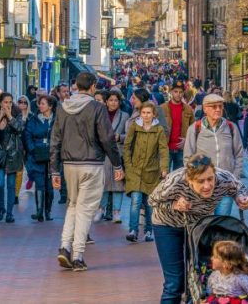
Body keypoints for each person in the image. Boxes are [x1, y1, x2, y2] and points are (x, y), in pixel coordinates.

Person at [148, 155, 248, 304]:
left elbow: (238, 187)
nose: (207, 185)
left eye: (210, 179)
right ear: (190, 180)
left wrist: (240, 198)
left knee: (197, 276)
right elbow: (152, 200)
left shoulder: (223, 178)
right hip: (167, 225)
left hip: (196, 227)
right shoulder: (176, 181)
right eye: (200, 181)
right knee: (175, 282)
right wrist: (174, 205)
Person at [50, 72, 124, 272]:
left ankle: (65, 246)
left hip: (68, 164)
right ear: (92, 87)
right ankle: (78, 255)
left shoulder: (63, 107)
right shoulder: (97, 108)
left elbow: (55, 139)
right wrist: (117, 165)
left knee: (73, 205)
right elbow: (107, 139)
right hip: (91, 163)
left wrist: (54, 171)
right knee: (85, 210)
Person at [183, 93, 246, 216]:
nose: (218, 109)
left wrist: (234, 177)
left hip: (225, 187)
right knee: (204, 225)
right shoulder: (195, 129)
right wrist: (195, 179)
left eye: (220, 106)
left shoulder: (231, 127)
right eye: (214, 106)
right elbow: (188, 158)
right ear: (205, 109)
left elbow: (239, 155)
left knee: (220, 225)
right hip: (202, 187)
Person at [123, 100, 168, 243]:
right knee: (136, 200)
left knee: (149, 203)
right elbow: (127, 146)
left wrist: (164, 168)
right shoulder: (135, 127)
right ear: (140, 113)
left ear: (154, 114)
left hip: (152, 172)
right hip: (135, 170)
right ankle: (133, 230)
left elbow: (163, 150)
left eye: (148, 113)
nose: (146, 115)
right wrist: (128, 166)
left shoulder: (159, 129)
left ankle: (149, 231)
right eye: (143, 113)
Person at [0, 92, 25, 223]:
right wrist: (0, 117)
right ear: (0, 103)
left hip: (13, 153)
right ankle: (1, 208)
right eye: (5, 102)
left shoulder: (17, 114)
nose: (8, 104)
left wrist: (10, 116)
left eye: (10, 102)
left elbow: (20, 128)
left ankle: (10, 213)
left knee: (11, 185)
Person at [24, 94, 56, 222]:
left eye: (43, 103)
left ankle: (47, 211)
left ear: (50, 106)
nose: (40, 106)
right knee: (39, 183)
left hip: (52, 156)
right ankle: (39, 212)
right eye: (39, 103)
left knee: (49, 185)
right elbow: (27, 134)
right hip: (37, 155)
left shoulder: (57, 120)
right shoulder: (33, 119)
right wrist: (32, 149)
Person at [101, 89, 128, 223]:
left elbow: (129, 135)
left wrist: (120, 137)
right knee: (103, 181)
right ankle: (101, 209)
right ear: (106, 102)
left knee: (118, 183)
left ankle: (116, 211)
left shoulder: (125, 116)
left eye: (116, 100)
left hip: (118, 152)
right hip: (103, 153)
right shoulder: (100, 114)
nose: (113, 103)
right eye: (110, 100)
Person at [160, 79, 194, 172]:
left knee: (179, 178)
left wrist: (186, 140)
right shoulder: (162, 108)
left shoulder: (188, 109)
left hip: (181, 149)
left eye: (180, 92)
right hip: (165, 148)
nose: (178, 94)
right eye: (175, 92)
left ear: (183, 93)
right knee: (163, 177)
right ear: (171, 92)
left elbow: (193, 129)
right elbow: (157, 128)